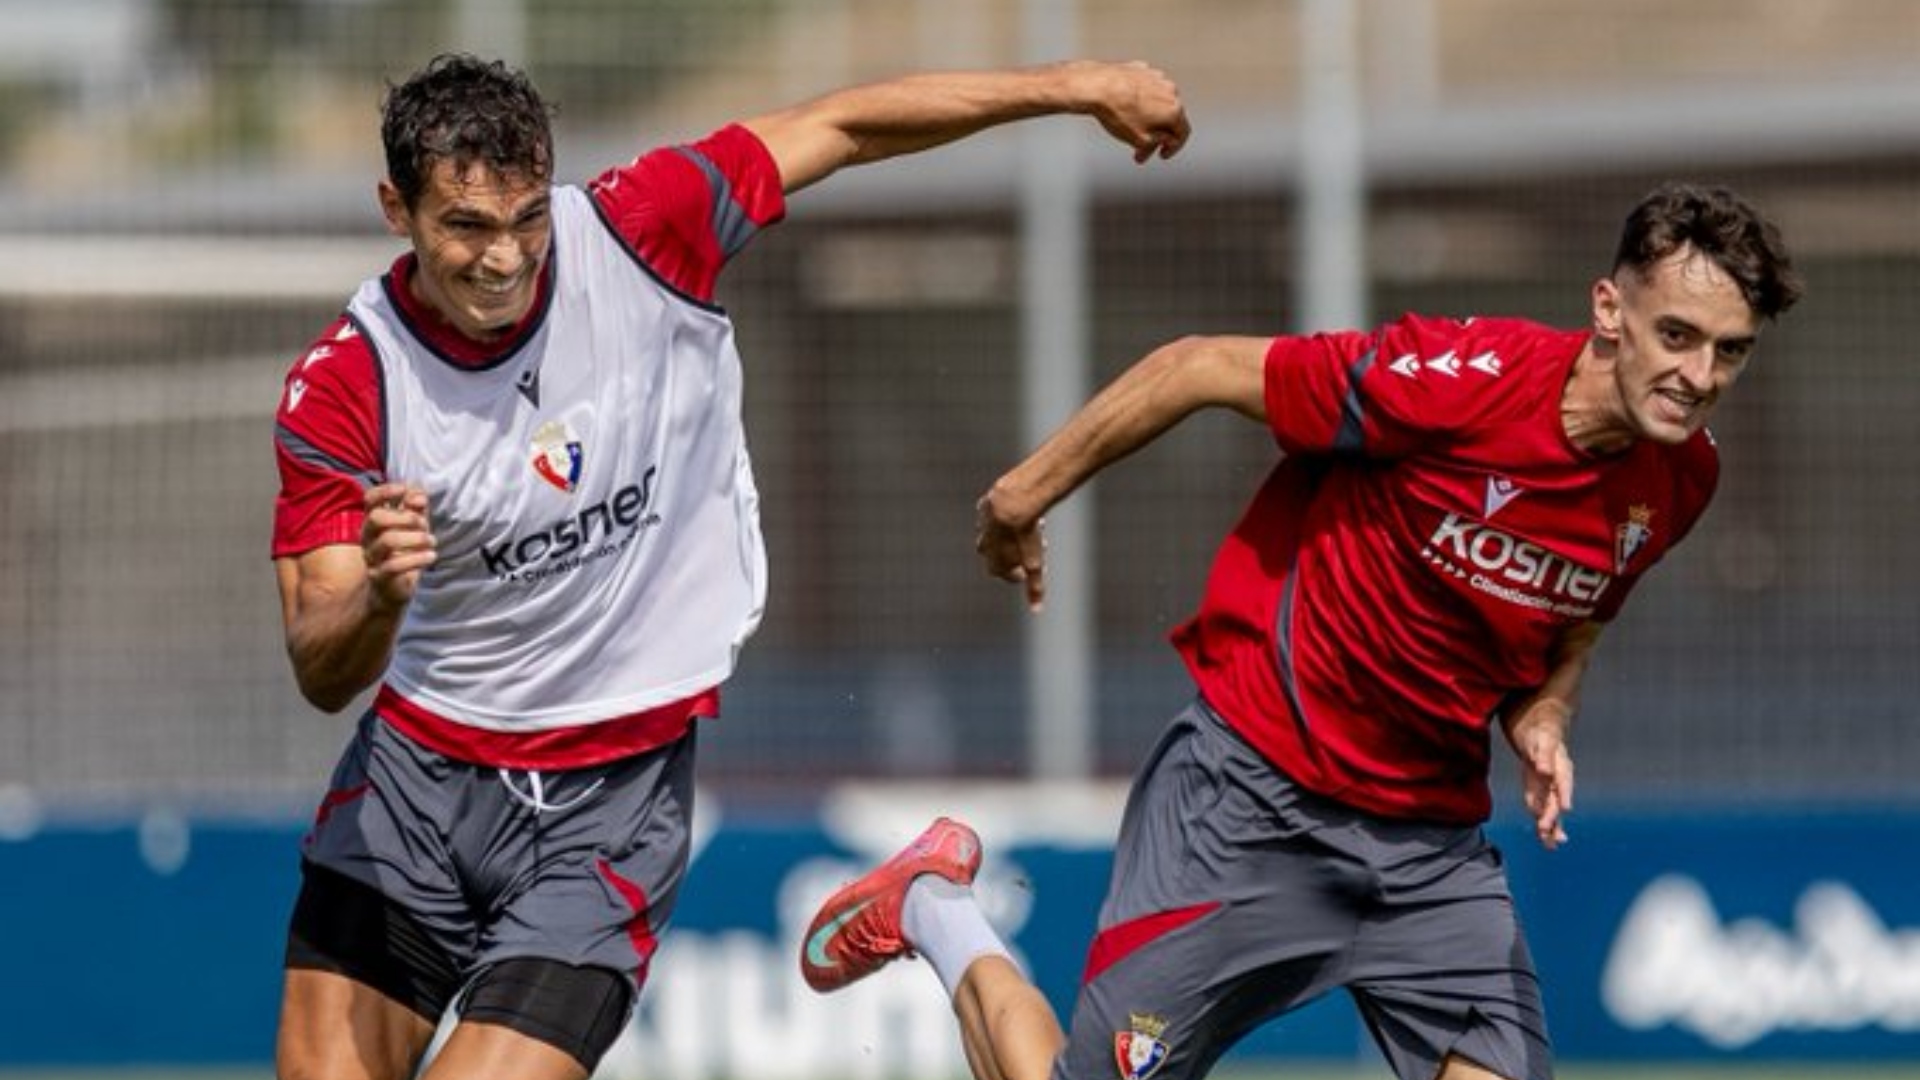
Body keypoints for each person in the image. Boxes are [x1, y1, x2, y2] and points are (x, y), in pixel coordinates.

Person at [269, 51, 1188, 1080]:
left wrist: (1076, 86)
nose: (505, 259)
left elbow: (843, 124)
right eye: (466, 228)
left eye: (527, 218)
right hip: (415, 792)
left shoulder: (642, 227)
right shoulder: (349, 384)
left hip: (607, 808)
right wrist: (386, 599)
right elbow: (321, 665)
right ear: (396, 208)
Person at [800, 182, 1801, 1080]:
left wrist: (1545, 710)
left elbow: (1580, 607)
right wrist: (1022, 496)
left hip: (1427, 851)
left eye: (1730, 352)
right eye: (1678, 335)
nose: (1700, 375)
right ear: (1608, 310)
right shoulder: (1457, 382)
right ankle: (932, 902)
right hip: (1253, 802)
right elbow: (1194, 368)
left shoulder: (1683, 478)